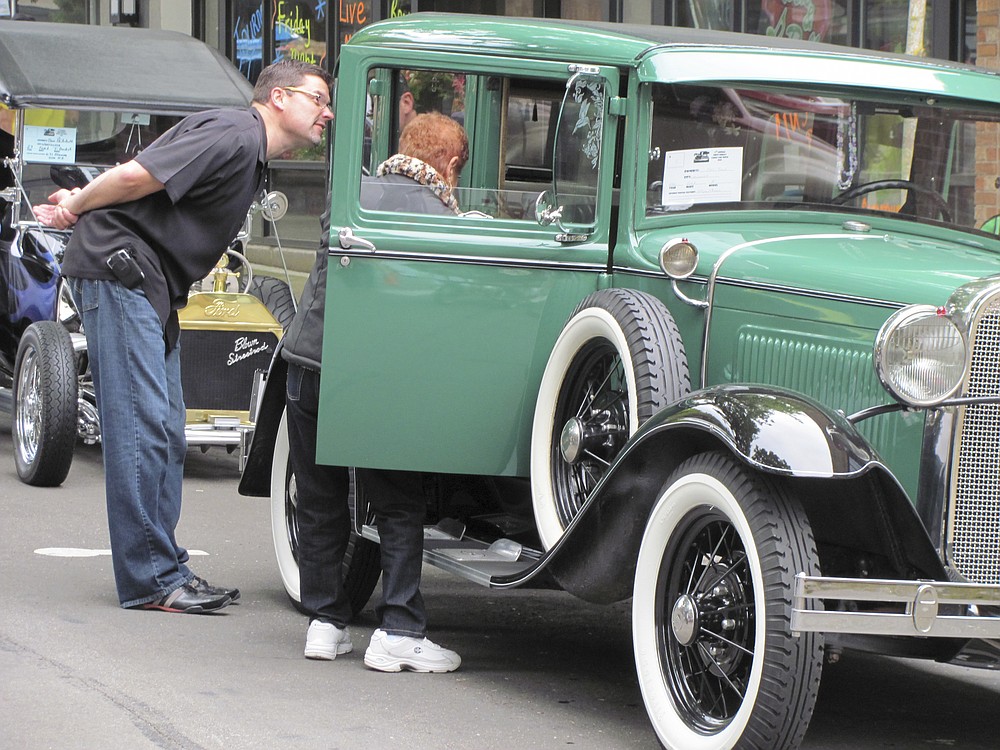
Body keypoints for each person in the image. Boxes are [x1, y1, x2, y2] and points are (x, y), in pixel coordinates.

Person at [32, 59, 334, 614]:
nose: (328, 111)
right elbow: (135, 175)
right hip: (121, 270)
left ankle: (164, 566)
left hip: (149, 283)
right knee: (142, 427)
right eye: (317, 98)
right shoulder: (234, 133)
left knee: (167, 429)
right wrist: (72, 207)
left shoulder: (250, 151)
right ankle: (151, 579)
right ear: (279, 99)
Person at [283, 112, 467, 670]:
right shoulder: (440, 213)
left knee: (318, 497)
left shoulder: (353, 192)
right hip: (378, 372)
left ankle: (325, 623)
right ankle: (399, 630)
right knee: (397, 501)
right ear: (452, 164)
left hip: (308, 358)